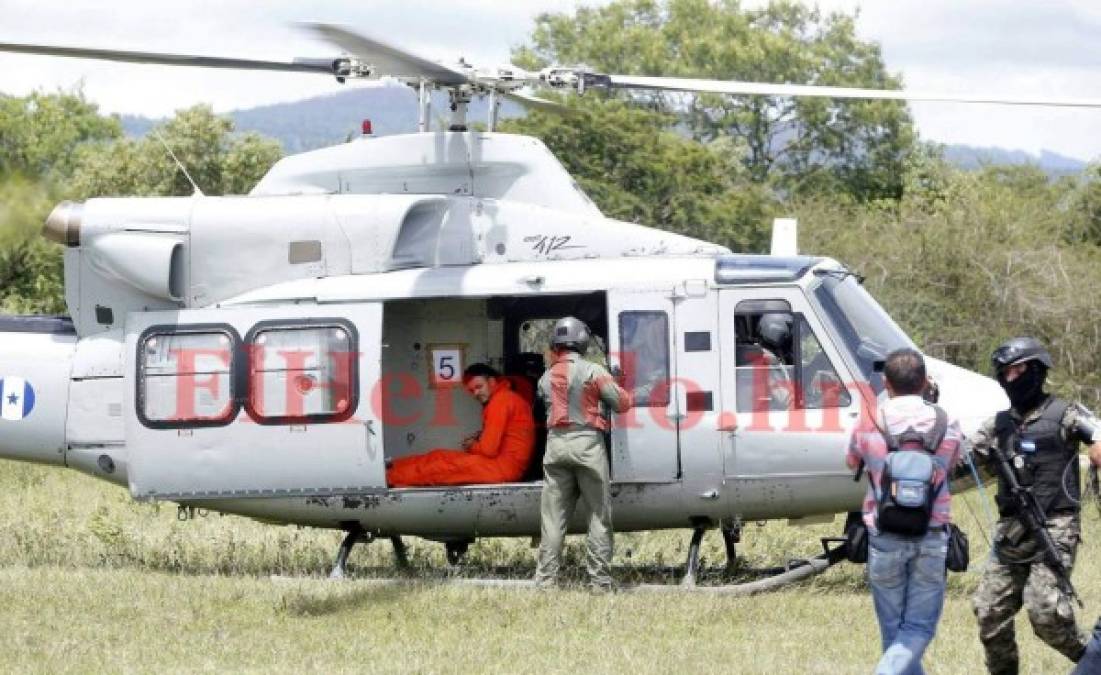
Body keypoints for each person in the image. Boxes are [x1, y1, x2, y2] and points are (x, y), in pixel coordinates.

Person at [969, 337, 1101, 674]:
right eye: (1004, 373)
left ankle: (1094, 661)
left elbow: (1097, 437)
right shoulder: (997, 425)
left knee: (1045, 614)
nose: (1010, 378)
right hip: (1012, 532)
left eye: (1017, 370)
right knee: (989, 612)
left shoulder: (1065, 414)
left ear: (1037, 370)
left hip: (1055, 527)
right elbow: (961, 460)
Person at [845, 348, 964, 675]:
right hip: (931, 533)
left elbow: (851, 461)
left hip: (884, 534)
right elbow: (952, 464)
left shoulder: (870, 418)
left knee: (894, 631)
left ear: (886, 382)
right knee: (918, 629)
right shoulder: (946, 420)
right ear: (926, 382)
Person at [533, 316, 631, 591]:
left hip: (555, 447)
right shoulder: (594, 371)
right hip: (587, 446)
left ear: (557, 344)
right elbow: (621, 404)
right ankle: (599, 581)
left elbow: (540, 409)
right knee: (598, 515)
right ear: (583, 343)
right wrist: (619, 383)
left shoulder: (545, 377)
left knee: (553, 519)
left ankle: (545, 581)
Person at [386, 363, 535, 487]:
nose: (475, 393)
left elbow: (489, 450)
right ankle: (393, 466)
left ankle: (389, 478)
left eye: (479, 387)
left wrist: (472, 445)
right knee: (439, 455)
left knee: (440, 467)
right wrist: (479, 441)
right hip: (501, 464)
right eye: (472, 390)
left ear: (492, 382)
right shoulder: (506, 398)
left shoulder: (500, 402)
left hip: (501, 468)